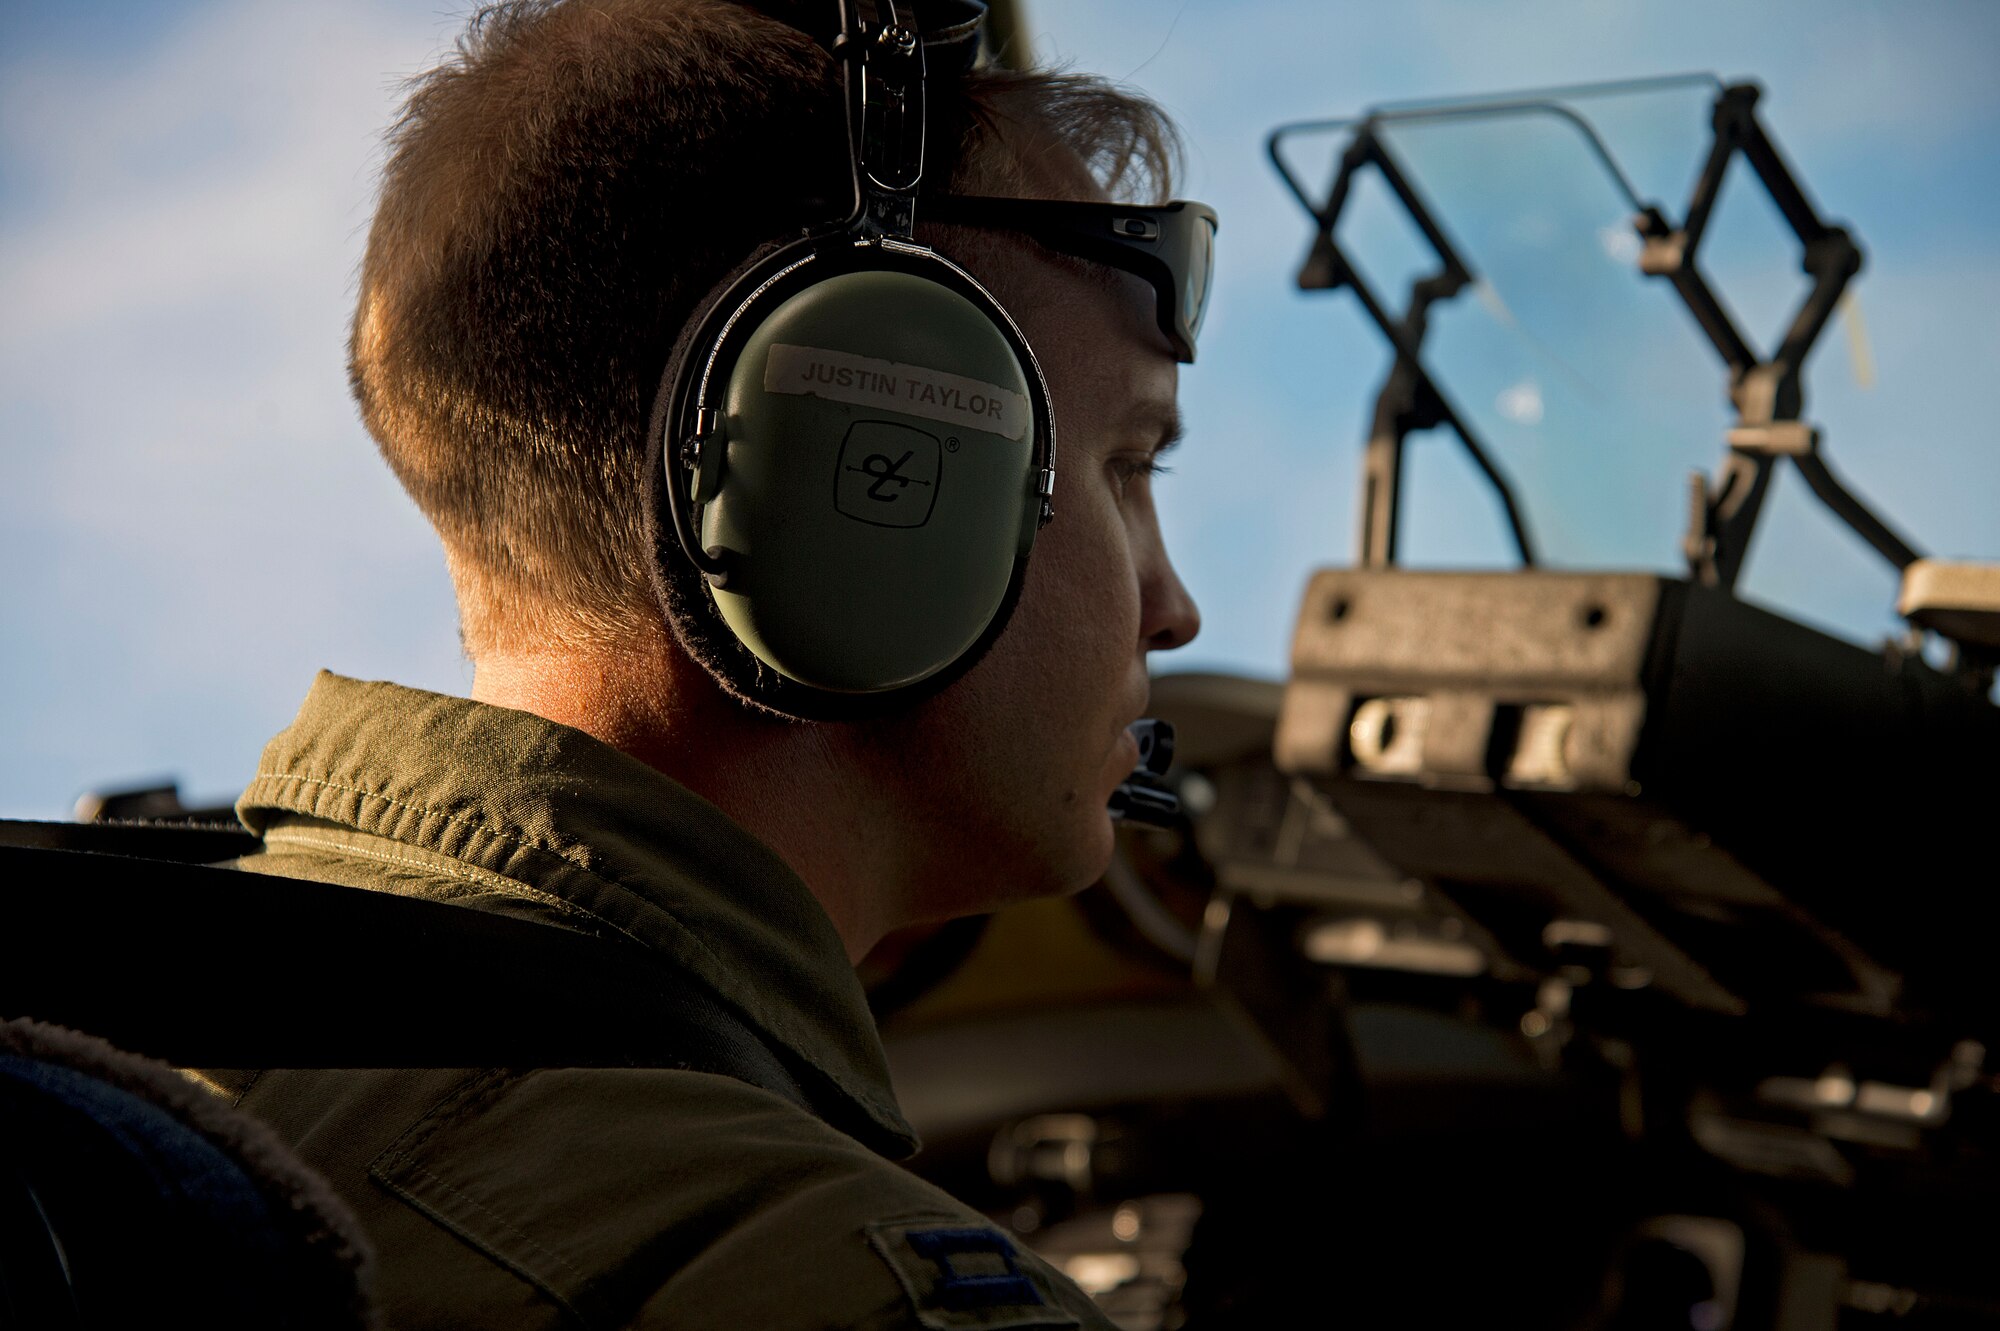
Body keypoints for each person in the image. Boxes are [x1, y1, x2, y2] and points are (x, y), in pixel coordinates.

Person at [192, 0, 1206, 1324]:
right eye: (1128, 465)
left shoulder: (191, 1038)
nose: (1174, 609)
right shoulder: (818, 1283)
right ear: (853, 481)